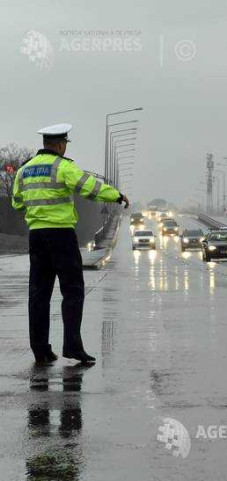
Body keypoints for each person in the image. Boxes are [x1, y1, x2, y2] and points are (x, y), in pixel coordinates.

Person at [11, 123, 130, 364]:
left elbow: (16, 202)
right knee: (73, 291)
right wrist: (116, 195)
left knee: (39, 294)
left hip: (37, 236)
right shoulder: (63, 167)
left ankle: (40, 350)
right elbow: (91, 187)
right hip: (61, 236)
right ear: (60, 144)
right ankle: (73, 347)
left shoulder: (24, 170)